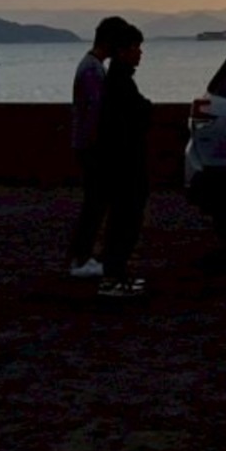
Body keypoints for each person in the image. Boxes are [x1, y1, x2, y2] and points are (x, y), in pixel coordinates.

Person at [66, 14, 131, 278]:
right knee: (94, 205)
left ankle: (81, 257)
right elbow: (94, 112)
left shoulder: (90, 66)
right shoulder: (93, 69)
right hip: (91, 147)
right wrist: (97, 145)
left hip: (85, 145)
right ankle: (81, 260)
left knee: (94, 204)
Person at [96, 21, 153, 298]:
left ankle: (117, 275)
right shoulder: (120, 82)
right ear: (122, 51)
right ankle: (113, 278)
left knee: (124, 220)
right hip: (125, 162)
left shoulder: (118, 80)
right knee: (125, 221)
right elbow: (137, 114)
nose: (139, 53)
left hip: (123, 160)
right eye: (135, 48)